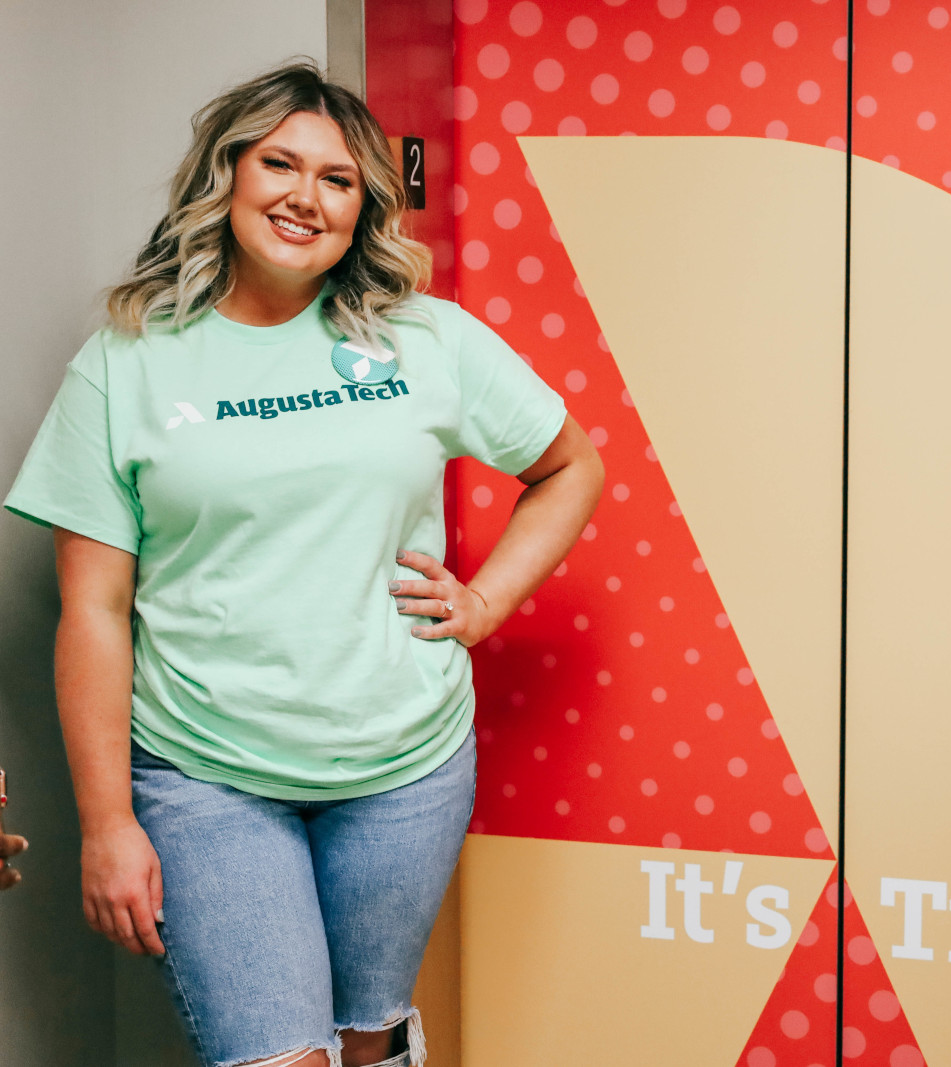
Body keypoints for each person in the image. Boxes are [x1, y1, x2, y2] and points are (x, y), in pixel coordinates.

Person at [4, 63, 603, 1067]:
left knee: (369, 1039)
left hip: (402, 764)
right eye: (278, 162)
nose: (302, 195)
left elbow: (569, 464)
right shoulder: (129, 359)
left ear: (364, 205)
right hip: (206, 772)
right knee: (285, 1056)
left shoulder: (424, 338)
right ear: (226, 175)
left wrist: (487, 600)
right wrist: (107, 822)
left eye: (336, 178)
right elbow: (95, 610)